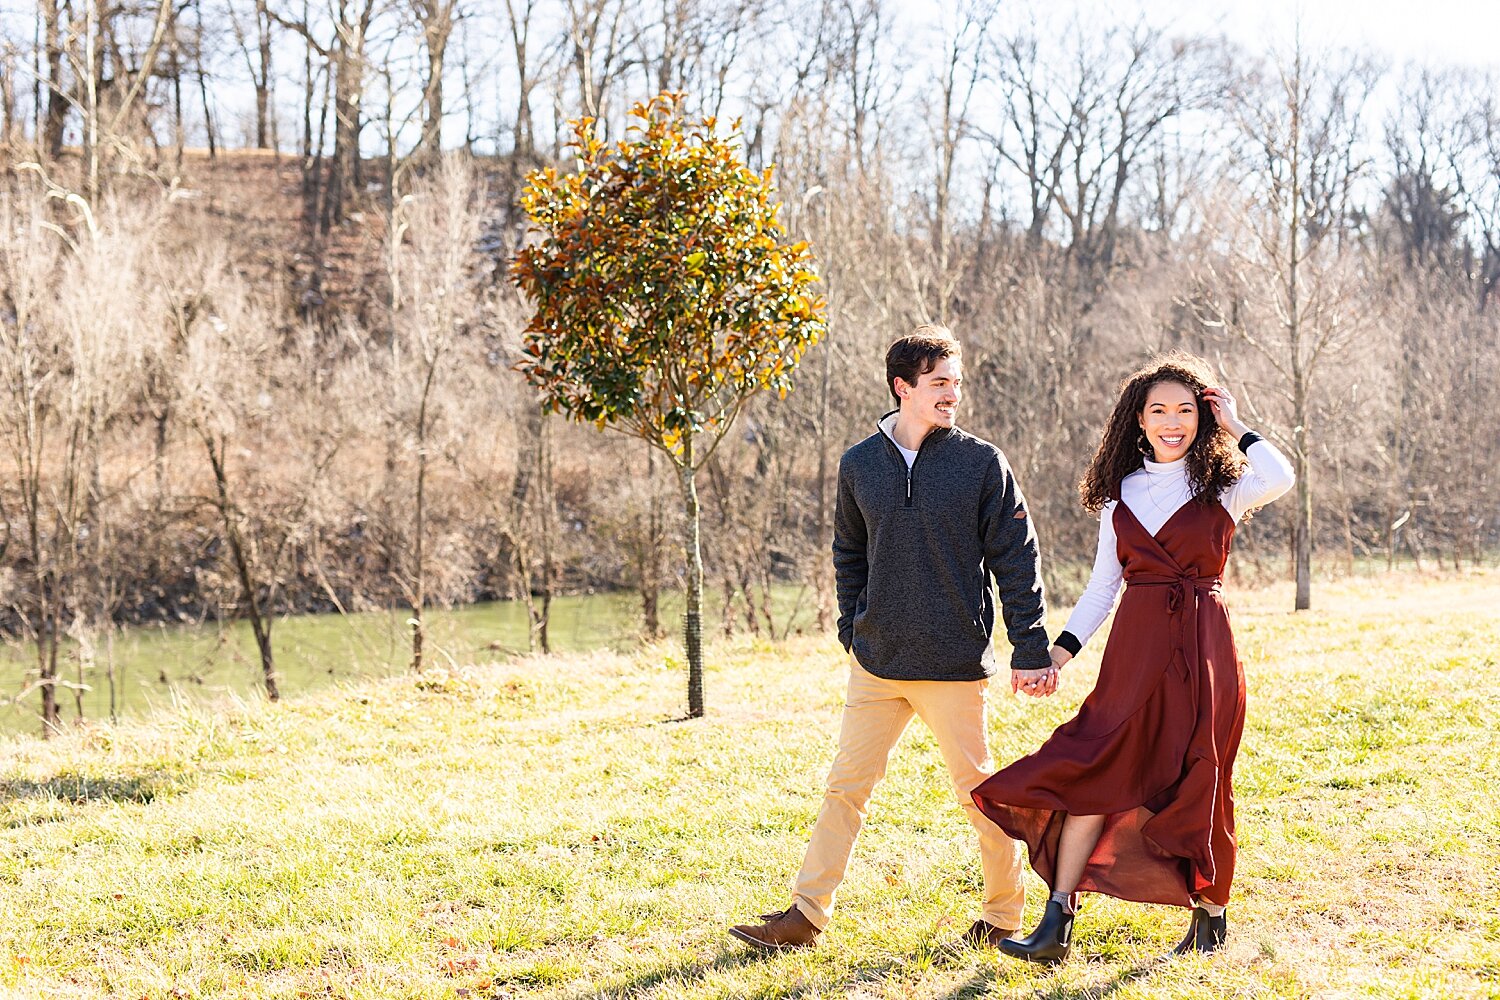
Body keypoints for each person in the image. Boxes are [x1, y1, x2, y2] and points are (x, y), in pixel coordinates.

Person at [729, 326, 1057, 952]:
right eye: (939, 383)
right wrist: (853, 626)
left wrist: (1030, 647)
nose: (951, 395)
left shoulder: (981, 462)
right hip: (877, 663)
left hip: (952, 664)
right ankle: (805, 914)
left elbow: (1016, 557)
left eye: (956, 384)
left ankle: (1005, 915)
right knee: (845, 788)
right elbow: (847, 552)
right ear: (902, 388)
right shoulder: (859, 465)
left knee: (979, 794)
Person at [970, 352, 1295, 964]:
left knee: (1202, 771)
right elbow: (1101, 589)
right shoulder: (1118, 498)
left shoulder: (1224, 485)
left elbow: (1280, 475)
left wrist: (1236, 425)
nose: (1172, 422)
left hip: (1205, 650)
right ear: (1138, 421)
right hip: (1135, 653)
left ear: (1201, 416)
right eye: (1158, 411)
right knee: (1097, 766)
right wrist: (1059, 656)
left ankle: (1209, 917)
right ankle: (1055, 924)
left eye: (1186, 410)